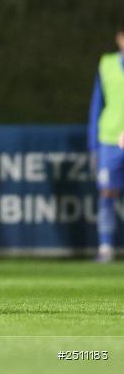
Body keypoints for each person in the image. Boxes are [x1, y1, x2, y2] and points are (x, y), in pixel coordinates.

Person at [88, 23, 124, 263]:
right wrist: (93, 144)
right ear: (119, 38)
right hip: (110, 137)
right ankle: (105, 247)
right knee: (107, 193)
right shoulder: (107, 64)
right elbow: (96, 104)